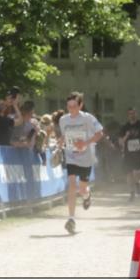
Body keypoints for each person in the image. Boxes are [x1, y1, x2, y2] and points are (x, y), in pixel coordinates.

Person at [58, 91, 103, 234]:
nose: (71, 109)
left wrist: (85, 143)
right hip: (71, 156)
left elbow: (100, 133)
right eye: (69, 106)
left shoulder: (88, 118)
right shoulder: (63, 120)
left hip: (86, 158)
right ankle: (71, 219)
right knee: (72, 185)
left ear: (80, 105)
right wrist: (61, 141)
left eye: (74, 106)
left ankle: (87, 196)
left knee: (83, 189)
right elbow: (65, 136)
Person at [118, 108, 140, 202]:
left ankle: (137, 183)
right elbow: (120, 141)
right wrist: (126, 136)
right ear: (128, 115)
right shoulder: (125, 127)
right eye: (130, 114)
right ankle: (132, 192)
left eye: (133, 113)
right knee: (129, 173)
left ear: (136, 114)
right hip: (128, 153)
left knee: (136, 172)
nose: (132, 115)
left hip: (138, 153)